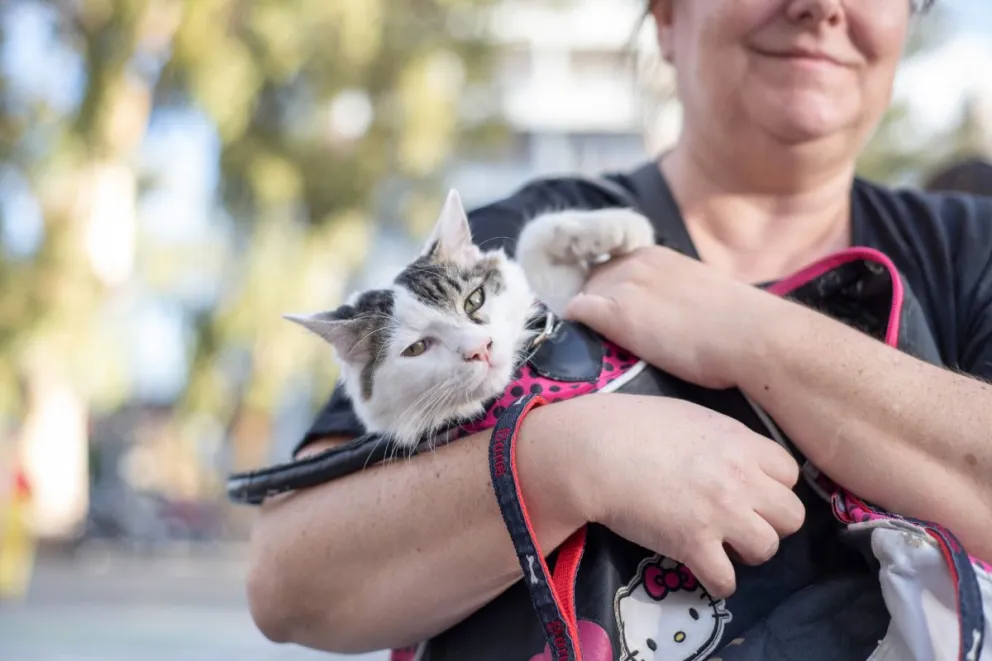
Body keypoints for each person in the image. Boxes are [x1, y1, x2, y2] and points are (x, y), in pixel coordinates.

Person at [245, 0, 992, 658]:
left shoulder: (972, 253)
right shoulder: (529, 245)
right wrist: (568, 461)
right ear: (666, 17)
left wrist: (752, 332)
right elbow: (291, 581)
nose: (821, 5)